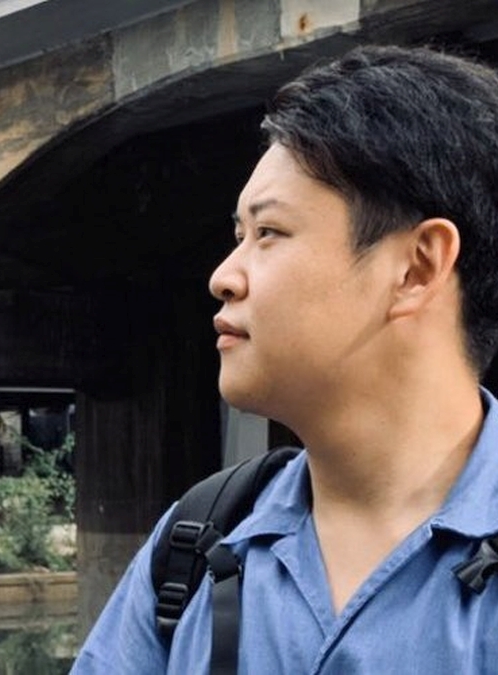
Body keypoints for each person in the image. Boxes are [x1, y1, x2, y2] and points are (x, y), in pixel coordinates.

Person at [70, 44, 498, 673]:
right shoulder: (196, 542)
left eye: (268, 233)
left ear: (417, 267)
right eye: (238, 237)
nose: (223, 276)